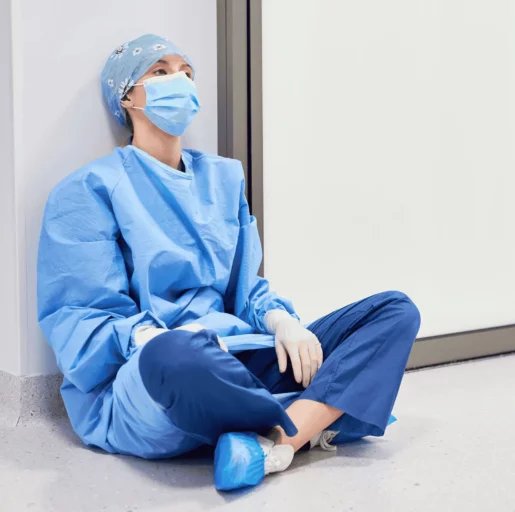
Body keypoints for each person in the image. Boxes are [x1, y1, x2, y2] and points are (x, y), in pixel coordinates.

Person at [37, 34, 420, 490]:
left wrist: (280, 320)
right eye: (159, 72)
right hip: (152, 377)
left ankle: (275, 441)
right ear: (127, 96)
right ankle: (315, 414)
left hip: (238, 356)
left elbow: (246, 289)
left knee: (395, 311)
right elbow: (79, 319)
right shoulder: (87, 190)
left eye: (186, 72)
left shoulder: (222, 178)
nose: (178, 80)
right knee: (175, 355)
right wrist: (162, 335)